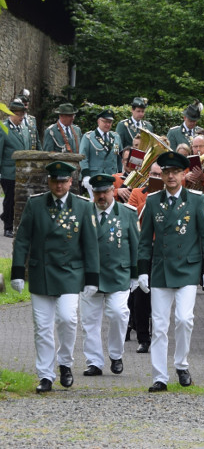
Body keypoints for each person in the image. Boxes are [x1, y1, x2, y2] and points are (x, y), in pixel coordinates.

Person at [10, 161, 99, 393]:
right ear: (49, 181)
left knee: (68, 319)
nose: (59, 185)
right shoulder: (35, 204)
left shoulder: (83, 206)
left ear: (71, 182)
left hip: (70, 272)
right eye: (54, 180)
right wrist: (18, 271)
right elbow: (22, 240)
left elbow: (90, 244)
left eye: (63, 181)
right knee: (42, 327)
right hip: (42, 272)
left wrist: (92, 278)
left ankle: (65, 363)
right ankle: (46, 375)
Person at [137, 151, 204, 392]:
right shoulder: (152, 201)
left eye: (175, 172)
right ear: (161, 175)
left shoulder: (196, 199)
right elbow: (144, 239)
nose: (171, 176)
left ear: (184, 175)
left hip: (188, 268)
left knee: (184, 319)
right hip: (161, 269)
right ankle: (159, 376)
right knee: (160, 326)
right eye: (166, 172)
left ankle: (181, 364)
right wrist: (142, 270)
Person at [80, 174, 139, 377]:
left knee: (118, 313)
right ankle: (94, 362)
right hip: (90, 276)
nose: (101, 196)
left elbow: (135, 245)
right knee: (90, 321)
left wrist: (136, 274)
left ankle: (116, 354)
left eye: (105, 191)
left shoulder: (127, 213)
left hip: (118, 273)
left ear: (113, 191)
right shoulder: (84, 212)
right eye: (97, 192)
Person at [128, 161, 163, 354]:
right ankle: (143, 338)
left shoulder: (168, 196)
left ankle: (158, 336)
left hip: (162, 250)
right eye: (154, 174)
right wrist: (149, 199)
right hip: (143, 248)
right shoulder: (137, 193)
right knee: (140, 296)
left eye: (160, 175)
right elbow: (134, 217)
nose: (156, 178)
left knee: (159, 296)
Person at [0, 99, 32, 238]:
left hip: (23, 172)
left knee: (22, 199)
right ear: (12, 114)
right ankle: (8, 226)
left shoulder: (24, 129)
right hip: (9, 172)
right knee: (10, 200)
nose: (21, 118)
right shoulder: (3, 128)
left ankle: (17, 225)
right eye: (19, 115)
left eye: (23, 115)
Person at [80, 109, 123, 200]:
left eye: (110, 122)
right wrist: (86, 175)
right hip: (95, 176)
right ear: (98, 121)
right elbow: (83, 157)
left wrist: (120, 174)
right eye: (105, 121)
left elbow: (119, 157)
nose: (108, 124)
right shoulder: (88, 137)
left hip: (112, 176)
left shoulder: (115, 137)